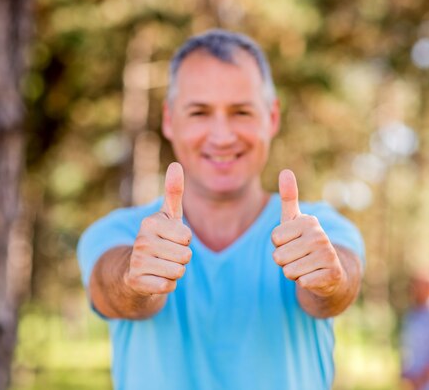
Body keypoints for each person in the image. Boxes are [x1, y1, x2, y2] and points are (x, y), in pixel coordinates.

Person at [77, 29, 365, 390]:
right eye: (199, 112)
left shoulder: (321, 230)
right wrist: (134, 278)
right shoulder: (115, 233)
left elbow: (340, 285)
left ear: (272, 117)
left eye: (241, 111)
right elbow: (112, 289)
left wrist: (329, 279)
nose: (222, 135)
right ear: (169, 120)